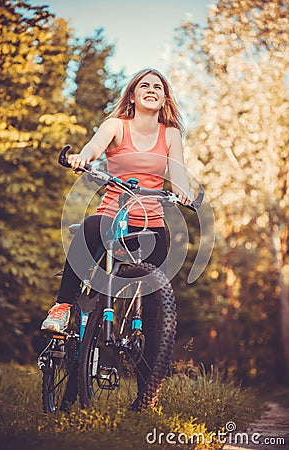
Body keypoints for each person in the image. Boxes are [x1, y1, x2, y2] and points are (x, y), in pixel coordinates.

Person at [41, 67, 193, 334]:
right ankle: (62, 307)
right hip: (112, 217)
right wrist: (83, 158)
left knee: (154, 307)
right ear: (132, 96)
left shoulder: (170, 134)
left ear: (165, 100)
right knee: (89, 227)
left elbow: (178, 172)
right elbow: (95, 146)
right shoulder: (116, 125)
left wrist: (183, 190)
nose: (151, 90)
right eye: (144, 86)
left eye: (158, 87)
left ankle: (151, 375)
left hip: (150, 224)